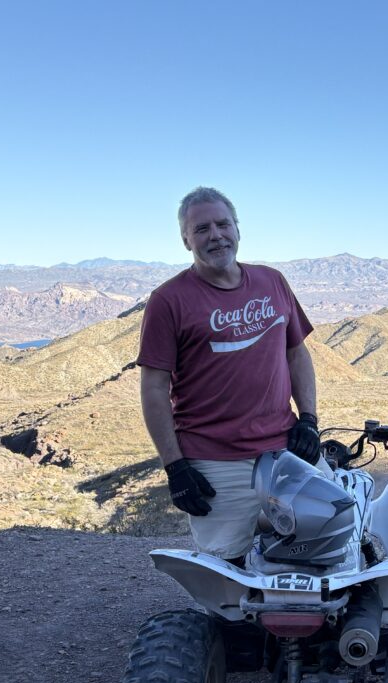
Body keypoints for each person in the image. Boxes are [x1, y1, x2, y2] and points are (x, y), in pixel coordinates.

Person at [136, 186, 321, 564]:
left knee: (327, 537)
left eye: (223, 224)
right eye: (201, 228)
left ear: (238, 229)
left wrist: (309, 420)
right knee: (225, 572)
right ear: (186, 239)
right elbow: (154, 387)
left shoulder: (273, 282)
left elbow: (296, 352)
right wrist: (175, 467)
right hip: (214, 460)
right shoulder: (168, 300)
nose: (215, 235)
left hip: (285, 449)